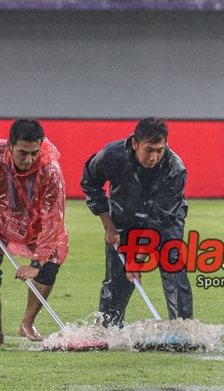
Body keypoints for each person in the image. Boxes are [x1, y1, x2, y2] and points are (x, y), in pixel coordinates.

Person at [0, 119, 68, 346]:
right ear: (9, 146)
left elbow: (53, 219)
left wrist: (36, 264)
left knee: (49, 269)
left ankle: (27, 322)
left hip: (37, 229)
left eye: (34, 153)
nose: (29, 160)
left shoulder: (49, 169)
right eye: (23, 153)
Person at [80, 116, 192, 327]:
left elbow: (159, 219)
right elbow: (90, 182)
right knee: (118, 275)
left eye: (160, 150)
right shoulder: (112, 155)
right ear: (134, 143)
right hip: (123, 218)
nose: (154, 157)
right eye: (149, 150)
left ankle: (183, 328)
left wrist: (137, 257)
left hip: (165, 220)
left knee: (173, 267)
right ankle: (109, 328)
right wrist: (108, 225)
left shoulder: (175, 169)